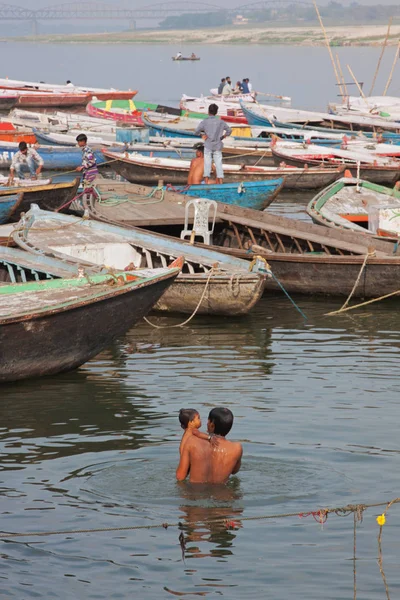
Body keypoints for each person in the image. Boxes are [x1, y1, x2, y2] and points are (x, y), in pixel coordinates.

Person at [176, 407, 243, 484]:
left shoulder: (191, 442)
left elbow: (180, 477)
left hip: (195, 494)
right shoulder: (237, 448)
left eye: (208, 420)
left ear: (211, 425)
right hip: (222, 494)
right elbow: (234, 471)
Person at [194, 104, 231, 185]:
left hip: (208, 145)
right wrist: (223, 136)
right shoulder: (221, 122)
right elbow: (229, 131)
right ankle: (221, 182)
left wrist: (202, 135)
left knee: (207, 163)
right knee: (218, 164)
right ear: (216, 112)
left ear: (208, 111)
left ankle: (206, 181)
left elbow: (196, 131)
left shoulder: (205, 121)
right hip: (217, 145)